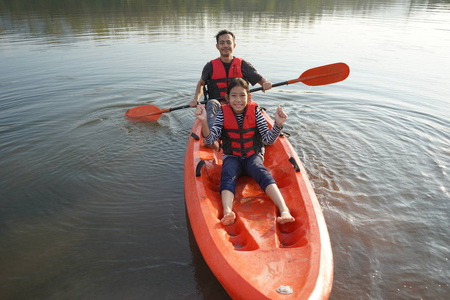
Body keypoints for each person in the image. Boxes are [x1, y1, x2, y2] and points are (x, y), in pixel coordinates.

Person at [194, 78, 295, 226]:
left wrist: (278, 124)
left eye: (242, 95)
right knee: (227, 173)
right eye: (234, 96)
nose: (238, 100)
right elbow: (210, 141)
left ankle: (284, 210)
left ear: (249, 96)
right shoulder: (222, 113)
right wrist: (203, 121)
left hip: (252, 156)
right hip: (232, 157)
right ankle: (228, 212)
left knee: (260, 170)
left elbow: (268, 140)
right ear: (227, 98)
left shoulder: (255, 111)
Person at [189, 29, 272, 135]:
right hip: (217, 106)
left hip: (239, 104)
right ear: (217, 46)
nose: (225, 46)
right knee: (211, 103)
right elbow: (201, 84)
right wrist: (195, 99)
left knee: (252, 106)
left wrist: (266, 82)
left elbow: (261, 80)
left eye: (228, 42)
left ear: (234, 45)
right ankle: (211, 138)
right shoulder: (210, 66)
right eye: (222, 43)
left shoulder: (243, 65)